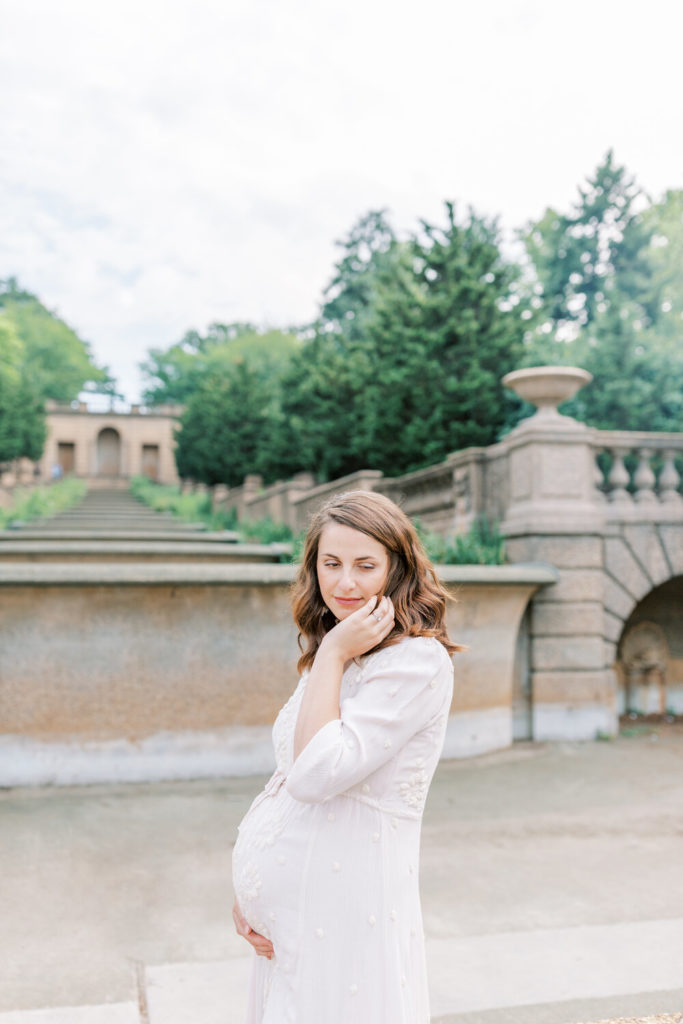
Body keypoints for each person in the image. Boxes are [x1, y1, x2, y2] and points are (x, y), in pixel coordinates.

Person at [232, 490, 460, 1023]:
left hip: (345, 913)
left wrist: (332, 653)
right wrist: (250, 892)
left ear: (397, 570)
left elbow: (316, 776)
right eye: (330, 564)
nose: (345, 583)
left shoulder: (414, 662)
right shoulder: (340, 651)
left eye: (365, 566)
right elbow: (284, 780)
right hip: (292, 923)